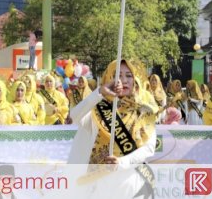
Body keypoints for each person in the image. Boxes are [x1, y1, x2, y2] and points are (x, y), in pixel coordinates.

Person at [67, 59, 156, 198]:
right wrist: (100, 92)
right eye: (117, 75)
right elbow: (74, 117)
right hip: (99, 185)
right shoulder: (97, 110)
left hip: (131, 184)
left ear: (135, 79)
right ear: (109, 78)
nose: (123, 80)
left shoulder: (143, 111)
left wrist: (121, 162)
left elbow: (148, 148)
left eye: (128, 75)